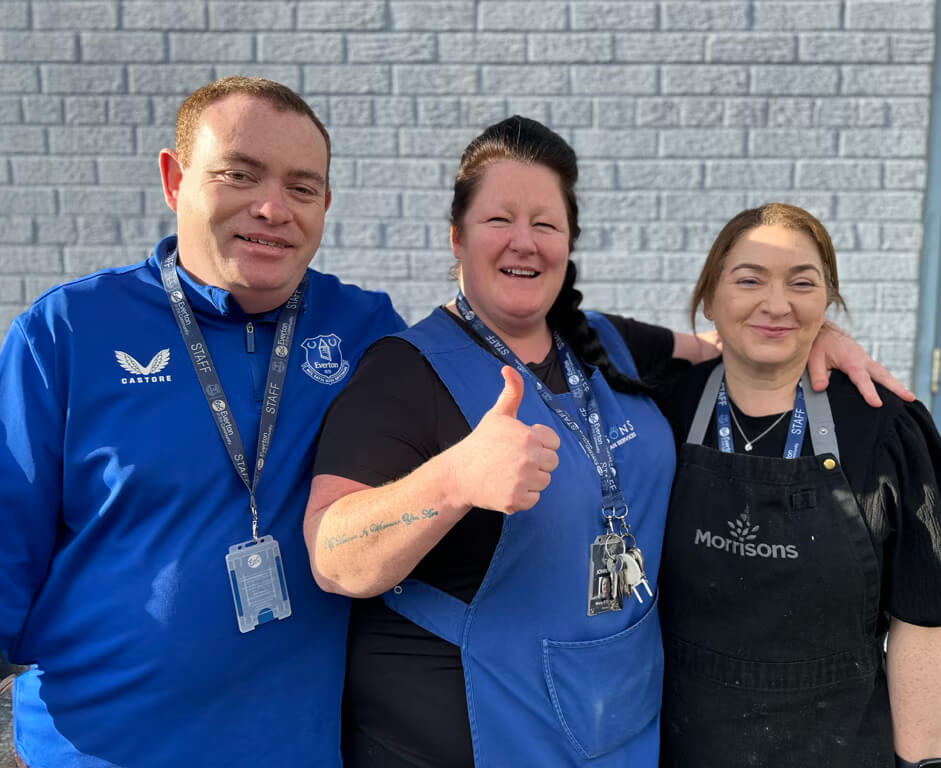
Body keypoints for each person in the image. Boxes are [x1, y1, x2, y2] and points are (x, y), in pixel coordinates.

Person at [303, 117, 909, 767]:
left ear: (568, 242)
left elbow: (733, 341)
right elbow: (333, 558)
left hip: (621, 725)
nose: (524, 242)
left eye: (546, 224)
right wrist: (452, 481)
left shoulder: (605, 342)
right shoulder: (403, 370)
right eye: (498, 220)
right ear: (457, 236)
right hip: (465, 734)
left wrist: (815, 332)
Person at [0, 76, 404, 768]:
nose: (272, 208)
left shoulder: (366, 330)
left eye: (302, 187)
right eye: (238, 176)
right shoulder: (68, 330)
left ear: (326, 204)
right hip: (97, 749)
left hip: (297, 750)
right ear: (174, 179)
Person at [655, 203, 941, 768]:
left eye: (802, 283)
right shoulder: (662, 411)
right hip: (683, 741)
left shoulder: (884, 429)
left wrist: (921, 763)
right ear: (709, 299)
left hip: (840, 745)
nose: (777, 303)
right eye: (749, 280)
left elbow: (923, 621)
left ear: (827, 302)